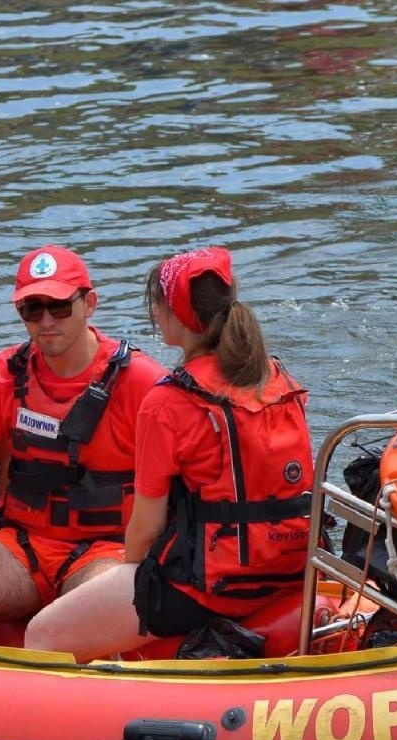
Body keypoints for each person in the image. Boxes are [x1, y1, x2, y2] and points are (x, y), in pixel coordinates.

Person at [23, 246, 314, 661]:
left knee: (41, 635)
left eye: (156, 305)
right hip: (291, 568)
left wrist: (132, 570)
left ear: (175, 315)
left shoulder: (168, 402)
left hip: (207, 588)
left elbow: (145, 529)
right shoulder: (279, 377)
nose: (154, 315)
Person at [0, 245, 166, 643]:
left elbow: (177, 485)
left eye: (59, 306)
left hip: (108, 549)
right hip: (23, 545)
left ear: (89, 304)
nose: (46, 321)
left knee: (88, 615)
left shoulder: (141, 381)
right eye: (32, 309)